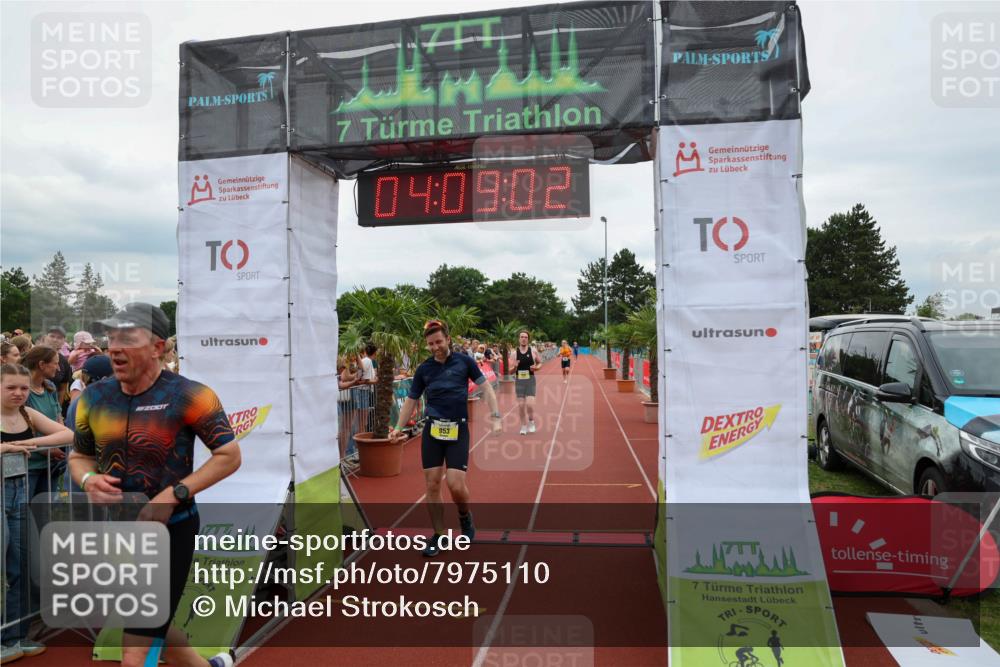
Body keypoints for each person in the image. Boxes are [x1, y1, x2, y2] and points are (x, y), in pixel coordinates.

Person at [67, 303, 240, 667]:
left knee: (135, 651)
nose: (114, 347)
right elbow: (77, 457)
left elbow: (229, 456)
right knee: (152, 623)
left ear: (157, 347)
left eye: (127, 338)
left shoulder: (191, 394)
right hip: (118, 533)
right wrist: (88, 479)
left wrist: (173, 495)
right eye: (111, 337)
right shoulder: (94, 399)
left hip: (171, 532)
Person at [388, 320, 502, 557]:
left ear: (448, 339)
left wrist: (496, 415)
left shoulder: (465, 362)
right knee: (431, 484)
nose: (435, 347)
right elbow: (411, 400)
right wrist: (398, 427)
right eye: (430, 344)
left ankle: (464, 516)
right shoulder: (424, 369)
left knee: (455, 484)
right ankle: (439, 535)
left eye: (438, 341)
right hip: (432, 431)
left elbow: (487, 388)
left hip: (457, 430)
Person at [2, 362, 73, 662]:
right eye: (10, 388)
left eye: (22, 388)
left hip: (19, 491)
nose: (19, 393)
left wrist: (29, 442)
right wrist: (4, 448)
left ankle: (13, 637)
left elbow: (67, 434)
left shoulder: (27, 414)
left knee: (23, 563)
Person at [22, 345, 66, 496]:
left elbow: (58, 418)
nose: (59, 368)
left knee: (44, 513)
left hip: (50, 465)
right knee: (24, 514)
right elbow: (23, 428)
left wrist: (59, 443)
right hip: (30, 464)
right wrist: (49, 449)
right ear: (42, 364)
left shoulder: (50, 387)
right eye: (55, 363)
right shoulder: (22, 392)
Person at [511, 329, 542, 435]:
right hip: (519, 381)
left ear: (528, 339)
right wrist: (514, 367)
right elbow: (510, 371)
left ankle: (531, 421)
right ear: (519, 339)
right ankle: (523, 426)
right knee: (521, 405)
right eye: (522, 337)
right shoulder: (514, 353)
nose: (523, 339)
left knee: (529, 405)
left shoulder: (533, 351)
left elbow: (539, 363)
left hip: (530, 380)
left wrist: (536, 368)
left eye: (525, 337)